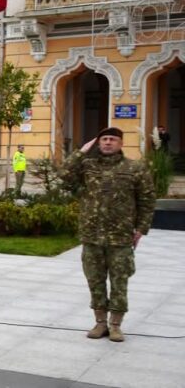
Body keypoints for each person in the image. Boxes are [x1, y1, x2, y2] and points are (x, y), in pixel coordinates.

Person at [58, 127, 155, 342]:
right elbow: (63, 175)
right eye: (104, 139)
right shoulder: (87, 166)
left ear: (121, 143)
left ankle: (116, 325)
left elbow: (147, 200)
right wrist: (81, 152)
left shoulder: (135, 168)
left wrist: (141, 228)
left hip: (120, 236)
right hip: (92, 235)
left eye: (112, 139)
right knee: (95, 280)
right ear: (98, 143)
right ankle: (100, 322)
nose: (108, 143)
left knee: (120, 281)